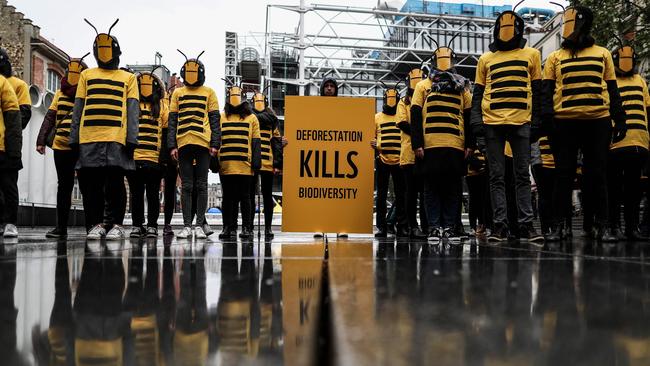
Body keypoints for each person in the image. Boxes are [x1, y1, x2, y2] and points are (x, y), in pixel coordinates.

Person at [542, 5, 626, 242]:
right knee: (563, 175)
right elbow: (546, 93)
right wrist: (548, 121)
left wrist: (619, 119)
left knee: (597, 175)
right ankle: (560, 226)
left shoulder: (603, 53)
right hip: (564, 123)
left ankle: (602, 225)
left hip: (598, 121)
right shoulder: (554, 57)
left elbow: (612, 88)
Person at [470, 5, 544, 243]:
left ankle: (525, 225)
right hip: (492, 123)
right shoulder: (485, 59)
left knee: (522, 175)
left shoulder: (532, 54)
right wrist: (477, 125)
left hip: (521, 122)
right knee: (497, 177)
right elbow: (478, 95)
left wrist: (537, 121)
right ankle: (499, 226)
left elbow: (538, 90)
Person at [69, 19, 139, 240]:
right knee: (92, 186)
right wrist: (74, 138)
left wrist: (132, 139)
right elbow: (78, 108)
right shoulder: (86, 75)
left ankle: (116, 224)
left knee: (116, 184)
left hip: (116, 139)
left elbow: (132, 110)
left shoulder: (128, 78)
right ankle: (95, 224)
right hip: (88, 137)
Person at [410, 35, 473, 243]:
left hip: (455, 145)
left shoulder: (462, 86)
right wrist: (417, 143)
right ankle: (435, 227)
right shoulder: (422, 86)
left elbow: (468, 116)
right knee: (431, 189)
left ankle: (449, 227)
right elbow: (416, 116)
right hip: (430, 146)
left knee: (452, 189)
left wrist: (469, 144)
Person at [167, 50, 220, 239]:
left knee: (202, 185)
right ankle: (187, 225)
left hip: (203, 144)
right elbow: (173, 120)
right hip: (183, 144)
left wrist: (215, 144)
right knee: (187, 186)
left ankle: (198, 225)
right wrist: (172, 145)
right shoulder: (178, 93)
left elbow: (215, 120)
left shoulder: (209, 92)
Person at [36, 55, 89, 238]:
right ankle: (61, 228)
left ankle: (91, 228)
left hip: (82, 147)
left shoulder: (88, 92)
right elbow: (50, 117)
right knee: (64, 187)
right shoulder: (59, 93)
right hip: (61, 146)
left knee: (87, 187)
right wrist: (41, 140)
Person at [606, 42, 649, 240]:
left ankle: (622, 227)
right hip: (628, 142)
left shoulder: (634, 81)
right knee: (625, 189)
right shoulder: (637, 81)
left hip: (628, 142)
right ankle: (623, 227)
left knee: (624, 189)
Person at [127, 70, 168, 238]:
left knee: (149, 195)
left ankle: (149, 225)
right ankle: (141, 225)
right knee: (140, 194)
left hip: (152, 159)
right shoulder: (132, 105)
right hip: (137, 158)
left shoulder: (161, 106)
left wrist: (163, 159)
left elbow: (165, 134)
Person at [218, 85, 261, 240]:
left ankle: (247, 228)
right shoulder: (221, 116)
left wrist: (256, 163)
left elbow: (256, 142)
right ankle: (228, 227)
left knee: (245, 198)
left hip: (245, 165)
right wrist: (214, 162)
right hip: (226, 164)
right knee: (228, 198)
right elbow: (216, 140)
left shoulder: (252, 118)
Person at [0, 47, 30, 238]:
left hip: (7, 142)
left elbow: (24, 113)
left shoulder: (18, 85)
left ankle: (10, 222)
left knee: (8, 184)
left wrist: (12, 139)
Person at [372, 84, 409, 238]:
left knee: (401, 195)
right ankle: (382, 227)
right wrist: (375, 144)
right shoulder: (377, 117)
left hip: (400, 160)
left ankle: (401, 226)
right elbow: (372, 136)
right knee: (381, 195)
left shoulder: (402, 116)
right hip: (382, 160)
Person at [397, 68, 428, 239]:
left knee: (424, 191)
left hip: (424, 151)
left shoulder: (426, 97)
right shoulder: (403, 102)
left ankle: (425, 225)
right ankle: (411, 226)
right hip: (409, 153)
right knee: (411, 192)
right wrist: (420, 134)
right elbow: (401, 123)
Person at [250, 89, 283, 239]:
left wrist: (277, 164)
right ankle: (249, 226)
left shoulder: (271, 120)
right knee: (251, 195)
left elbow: (276, 142)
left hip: (266, 161)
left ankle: (267, 227)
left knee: (265, 196)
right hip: (254, 161)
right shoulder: (256, 118)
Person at [0, 73, 21, 239]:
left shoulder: (2, 83)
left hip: (2, 148)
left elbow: (13, 117)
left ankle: (10, 223)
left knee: (8, 187)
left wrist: (13, 151)